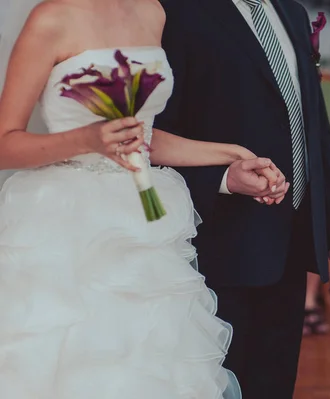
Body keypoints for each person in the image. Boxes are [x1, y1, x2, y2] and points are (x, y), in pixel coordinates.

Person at [0, 0, 289, 397]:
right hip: (68, 226)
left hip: (143, 224)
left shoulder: (153, 12)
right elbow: (5, 143)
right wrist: (85, 140)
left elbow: (143, 138)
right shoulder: (53, 16)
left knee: (150, 366)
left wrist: (231, 152)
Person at [155, 1, 330, 397]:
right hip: (222, 240)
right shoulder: (179, 12)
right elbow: (154, 134)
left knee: (275, 382)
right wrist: (222, 177)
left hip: (294, 239)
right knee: (220, 384)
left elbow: (314, 124)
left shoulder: (292, 12)